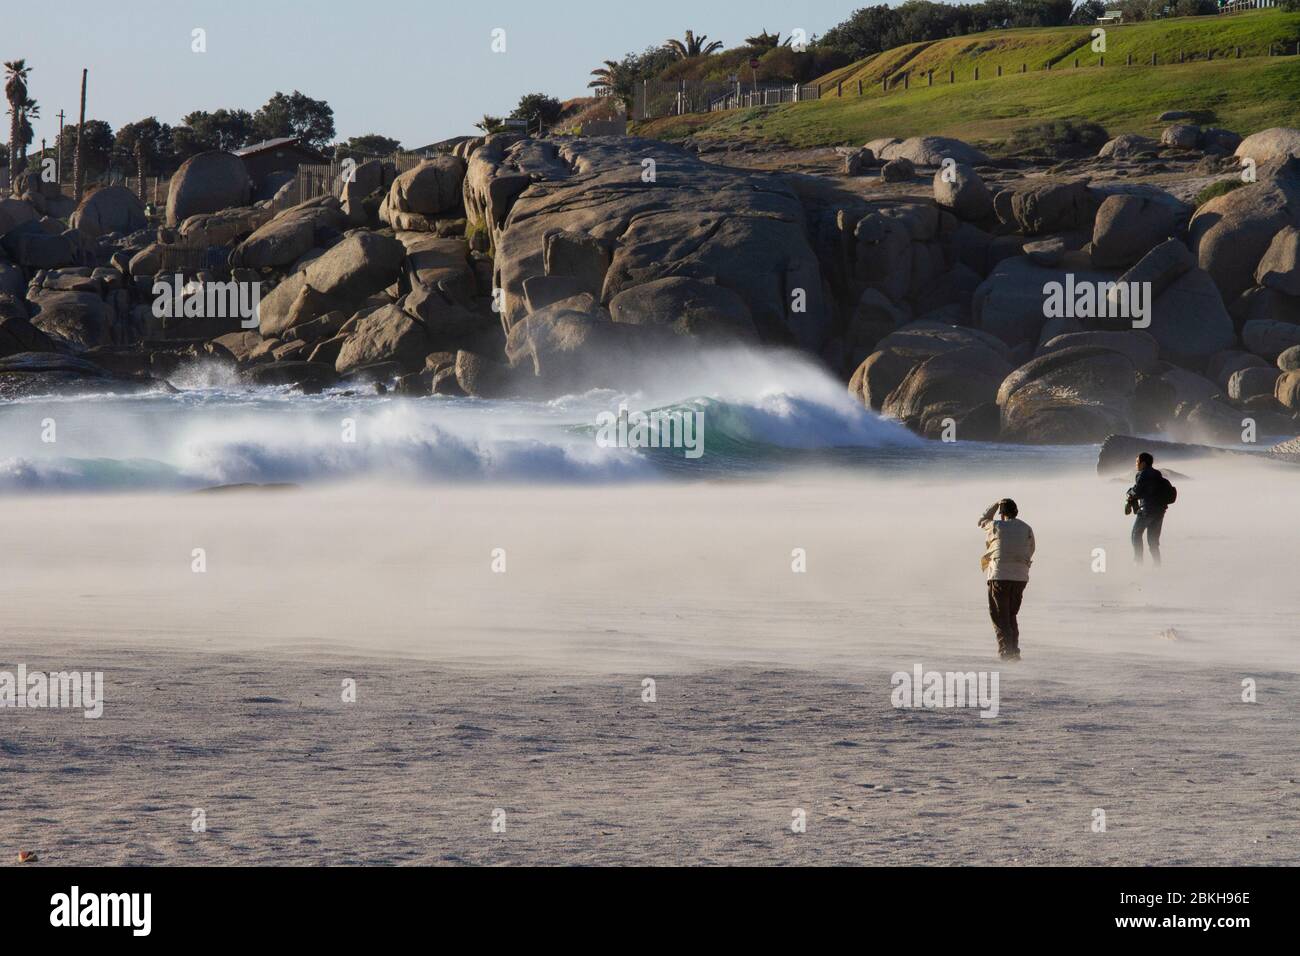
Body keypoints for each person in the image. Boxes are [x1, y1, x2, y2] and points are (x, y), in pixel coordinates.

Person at [978, 498, 1035, 661]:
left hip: (999, 575)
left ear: (1002, 514)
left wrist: (995, 504)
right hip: (1020, 577)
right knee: (1011, 615)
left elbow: (981, 521)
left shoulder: (996, 526)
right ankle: (1014, 651)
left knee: (1000, 615)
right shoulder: (1026, 528)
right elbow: (1031, 549)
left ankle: (1006, 653)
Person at [1127, 452, 1170, 566]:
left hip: (1147, 510)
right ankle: (1157, 565)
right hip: (1160, 511)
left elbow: (1138, 491)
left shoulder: (1143, 474)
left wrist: (1129, 492)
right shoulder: (1157, 474)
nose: (1136, 464)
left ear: (1143, 463)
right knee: (1153, 542)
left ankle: (1138, 562)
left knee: (1136, 534)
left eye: (1137, 462)